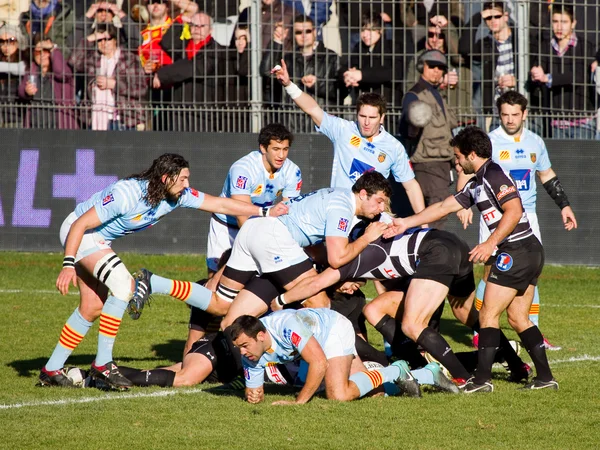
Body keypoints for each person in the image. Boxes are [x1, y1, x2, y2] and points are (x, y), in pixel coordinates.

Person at [38, 153, 289, 390]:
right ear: (165, 179)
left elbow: (220, 203)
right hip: (81, 235)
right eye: (182, 179)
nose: (187, 184)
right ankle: (103, 364)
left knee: (92, 307)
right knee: (124, 286)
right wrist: (68, 264)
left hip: (97, 241)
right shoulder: (126, 193)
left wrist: (263, 211)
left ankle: (51, 370)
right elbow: (80, 224)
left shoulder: (177, 195)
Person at [383, 126, 557, 393]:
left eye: (457, 156)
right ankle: (545, 378)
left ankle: (481, 380)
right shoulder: (478, 182)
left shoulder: (494, 176)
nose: (456, 162)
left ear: (471, 154)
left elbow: (514, 210)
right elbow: (443, 207)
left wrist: (491, 243)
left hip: (516, 251)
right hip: (531, 250)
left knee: (487, 314)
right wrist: (406, 222)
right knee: (519, 318)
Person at [277, 225, 531, 385]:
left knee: (406, 321)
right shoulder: (371, 249)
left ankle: (460, 377)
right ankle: (513, 362)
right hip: (451, 247)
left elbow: (319, 279)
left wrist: (280, 300)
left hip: (435, 260)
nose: (355, 287)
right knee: (468, 315)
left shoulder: (352, 261)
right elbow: (384, 277)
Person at [457, 90, 577, 350]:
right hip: (493, 216)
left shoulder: (535, 142)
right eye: (504, 115)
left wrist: (564, 205)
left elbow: (547, 175)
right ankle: (482, 329)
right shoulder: (490, 141)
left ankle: (530, 329)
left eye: (515, 115)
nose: (510, 120)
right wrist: (464, 205)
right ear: (499, 115)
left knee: (531, 275)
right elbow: (468, 171)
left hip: (526, 216)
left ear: (525, 114)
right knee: (490, 273)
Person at [216, 171, 392, 330]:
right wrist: (366, 238)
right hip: (273, 238)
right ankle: (304, 362)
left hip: (253, 230)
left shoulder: (336, 194)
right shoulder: (342, 207)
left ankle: (212, 354)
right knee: (320, 304)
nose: (381, 208)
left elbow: (315, 250)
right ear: (362, 194)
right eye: (379, 201)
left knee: (226, 314)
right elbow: (336, 259)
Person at [272, 60, 425, 215]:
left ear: (382, 117)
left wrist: (423, 222)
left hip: (372, 215)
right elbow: (312, 109)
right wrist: (288, 84)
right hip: (341, 210)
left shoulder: (394, 146)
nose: (366, 122)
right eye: (362, 116)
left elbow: (411, 185)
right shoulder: (343, 130)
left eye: (372, 117)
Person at [230, 310, 420, 404]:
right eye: (239, 348)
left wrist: (299, 402)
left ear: (261, 336)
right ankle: (427, 375)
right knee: (374, 394)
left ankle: (394, 370)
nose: (242, 353)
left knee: (338, 395)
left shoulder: (286, 327)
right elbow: (253, 389)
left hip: (332, 330)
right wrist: (253, 394)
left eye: (245, 346)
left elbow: (319, 362)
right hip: (315, 344)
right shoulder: (250, 351)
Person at [206, 123, 302, 278]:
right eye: (276, 149)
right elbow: (240, 214)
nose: (281, 156)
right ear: (263, 148)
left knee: (255, 276)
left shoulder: (293, 171)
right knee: (217, 276)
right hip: (227, 224)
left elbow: (289, 212)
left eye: (285, 149)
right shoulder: (243, 169)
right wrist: (256, 245)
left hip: (260, 223)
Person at [398, 49, 457, 229]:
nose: (436, 71)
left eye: (440, 68)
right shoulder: (414, 94)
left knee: (434, 213)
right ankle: (433, 252)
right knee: (436, 213)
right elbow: (406, 128)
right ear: (420, 67)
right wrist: (414, 122)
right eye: (431, 66)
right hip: (428, 163)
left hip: (440, 163)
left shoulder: (436, 93)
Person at [529, 3, 597, 139]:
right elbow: (538, 70)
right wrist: (535, 74)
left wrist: (547, 78)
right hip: (556, 122)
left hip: (582, 121)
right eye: (555, 21)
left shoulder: (585, 47)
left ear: (573, 23)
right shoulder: (545, 47)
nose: (559, 27)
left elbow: (579, 77)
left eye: (564, 22)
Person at [153, 11, 229, 131]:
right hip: (179, 108)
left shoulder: (216, 49)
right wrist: (179, 21)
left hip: (203, 111)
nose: (197, 29)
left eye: (202, 26)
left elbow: (197, 68)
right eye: (194, 25)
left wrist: (162, 74)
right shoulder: (185, 46)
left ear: (210, 30)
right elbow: (167, 43)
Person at [68, 24, 147, 130]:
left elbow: (141, 89)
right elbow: (73, 61)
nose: (103, 43)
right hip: (94, 118)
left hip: (124, 118)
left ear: (115, 40)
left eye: (107, 39)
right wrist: (89, 39)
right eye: (100, 40)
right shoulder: (92, 59)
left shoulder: (130, 59)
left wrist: (115, 85)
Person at [19, 34, 77, 128]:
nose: (42, 55)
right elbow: (21, 91)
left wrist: (53, 48)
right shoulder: (32, 69)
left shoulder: (63, 66)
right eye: (38, 52)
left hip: (59, 125)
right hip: (36, 124)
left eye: (46, 51)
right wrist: (26, 91)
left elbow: (61, 74)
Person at [0, 23, 26, 127]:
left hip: (17, 117)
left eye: (11, 40)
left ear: (18, 42)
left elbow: (23, 69)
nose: (6, 45)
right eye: (1, 41)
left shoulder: (25, 58)